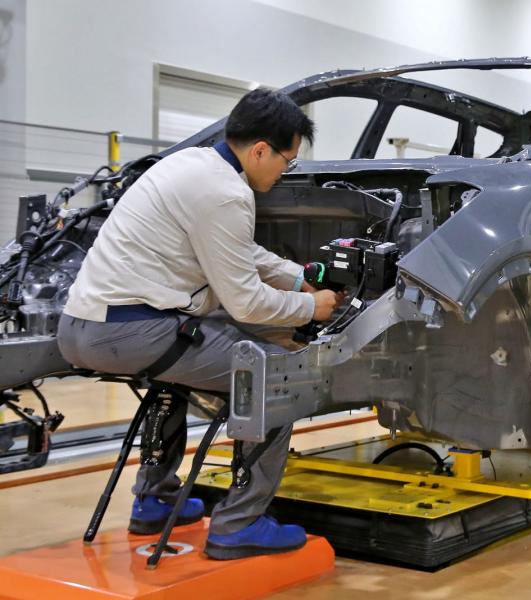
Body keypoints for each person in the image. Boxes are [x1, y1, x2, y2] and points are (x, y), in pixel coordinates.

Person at [57, 89, 343, 558]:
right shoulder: (226, 193)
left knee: (175, 372)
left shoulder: (189, 165)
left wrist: (297, 278)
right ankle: (239, 525)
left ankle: (154, 499)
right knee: (277, 375)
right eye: (287, 161)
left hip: (84, 326)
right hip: (130, 331)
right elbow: (246, 304)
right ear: (260, 150)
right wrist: (311, 308)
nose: (285, 171)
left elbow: (239, 251)